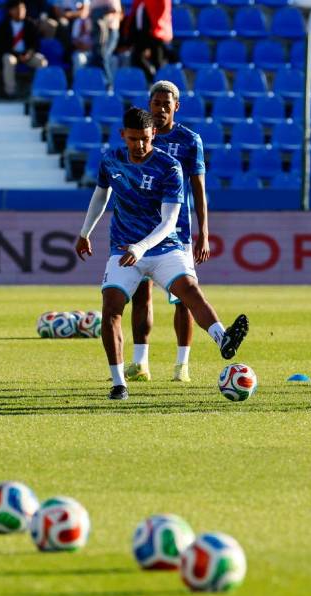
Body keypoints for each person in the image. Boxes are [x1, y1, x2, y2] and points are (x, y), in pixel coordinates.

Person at [75, 107, 248, 400]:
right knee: (111, 307)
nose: (140, 145)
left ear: (153, 133)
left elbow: (169, 221)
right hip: (123, 248)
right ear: (123, 136)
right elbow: (101, 194)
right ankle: (119, 383)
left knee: (189, 290)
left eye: (144, 138)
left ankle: (222, 338)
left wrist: (141, 247)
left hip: (163, 246)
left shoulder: (169, 167)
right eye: (133, 139)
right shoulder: (111, 160)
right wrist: (84, 232)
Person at [125, 81, 208, 383]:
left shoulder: (189, 140)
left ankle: (181, 365)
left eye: (166, 104)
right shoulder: (142, 136)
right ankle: (140, 363)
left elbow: (198, 190)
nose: (160, 109)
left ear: (176, 107)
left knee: (183, 297)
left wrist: (204, 233)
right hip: (139, 229)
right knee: (141, 296)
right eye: (155, 103)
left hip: (178, 231)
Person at [0, 0, 48, 99]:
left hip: (27, 55)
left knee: (41, 61)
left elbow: (35, 44)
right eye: (17, 9)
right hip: (12, 54)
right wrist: (17, 55)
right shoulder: (4, 25)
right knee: (8, 59)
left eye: (23, 9)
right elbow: (1, 46)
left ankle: (38, 91)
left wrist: (29, 53)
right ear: (10, 11)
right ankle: (10, 92)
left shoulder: (30, 24)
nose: (20, 11)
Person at [127, 0, 172, 81]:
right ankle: (152, 79)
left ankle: (160, 84)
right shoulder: (140, 3)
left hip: (157, 33)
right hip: (142, 35)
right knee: (137, 58)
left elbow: (162, 10)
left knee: (158, 61)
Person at [88, 0, 121, 85]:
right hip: (97, 32)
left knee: (104, 55)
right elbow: (89, 13)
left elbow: (116, 11)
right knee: (95, 57)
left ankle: (109, 85)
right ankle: (96, 84)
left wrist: (101, 15)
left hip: (111, 31)